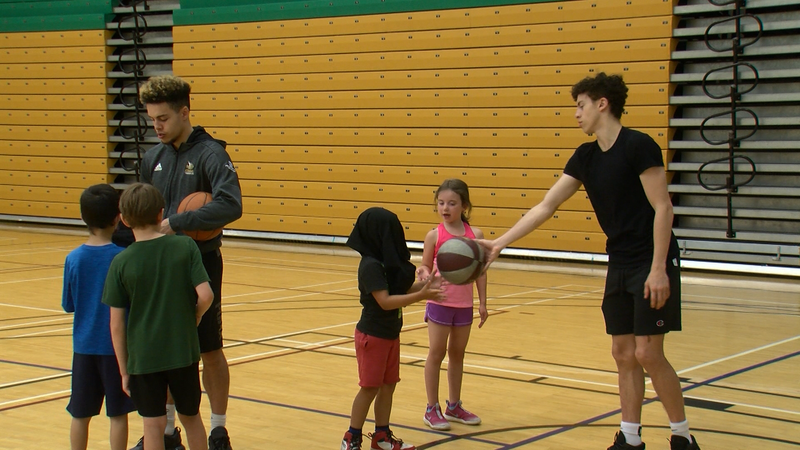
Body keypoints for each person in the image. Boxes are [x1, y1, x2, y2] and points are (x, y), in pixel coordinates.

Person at [477, 73, 701, 450]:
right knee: (623, 353)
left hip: (651, 258)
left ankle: (682, 437)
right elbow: (546, 206)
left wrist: (659, 267)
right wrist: (499, 243)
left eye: (580, 106)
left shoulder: (638, 146)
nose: (576, 115)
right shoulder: (586, 156)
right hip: (620, 260)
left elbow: (663, 208)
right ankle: (630, 437)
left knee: (648, 352)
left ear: (602, 104)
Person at [137, 74, 243, 450]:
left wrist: (178, 222)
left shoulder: (211, 154)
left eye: (163, 118)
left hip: (200, 264)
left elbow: (231, 204)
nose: (157, 126)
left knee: (208, 348)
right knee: (164, 352)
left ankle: (217, 429)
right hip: (159, 269)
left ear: (185, 112)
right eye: (152, 119)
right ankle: (165, 432)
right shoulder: (153, 158)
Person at [103, 183, 214, 450]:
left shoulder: (121, 261)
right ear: (161, 213)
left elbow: (116, 324)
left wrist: (123, 370)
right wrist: (195, 316)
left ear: (125, 220)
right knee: (191, 419)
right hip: (182, 353)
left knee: (153, 426)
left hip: (144, 359)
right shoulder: (185, 246)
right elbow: (206, 295)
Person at [341, 207, 445, 450]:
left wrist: (425, 285)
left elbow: (399, 292)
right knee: (369, 389)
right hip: (372, 336)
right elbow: (386, 301)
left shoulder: (386, 264)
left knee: (388, 386)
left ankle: (381, 436)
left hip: (390, 335)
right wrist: (423, 295)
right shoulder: (370, 266)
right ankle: (352, 437)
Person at [62, 184, 136, 450]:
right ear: (118, 218)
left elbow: (68, 304)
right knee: (118, 414)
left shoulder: (73, 259)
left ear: (83, 218)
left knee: (80, 413)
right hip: (116, 350)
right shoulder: (123, 257)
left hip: (83, 348)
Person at [415, 179, 487, 431]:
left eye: (452, 203)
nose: (445, 208)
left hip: (464, 305)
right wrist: (422, 273)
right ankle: (431, 408)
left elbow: (481, 271)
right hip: (440, 301)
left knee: (458, 354)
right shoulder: (434, 235)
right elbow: (424, 264)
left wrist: (483, 303)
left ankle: (453, 405)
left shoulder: (475, 235)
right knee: (437, 353)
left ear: (464, 206)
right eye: (441, 203)